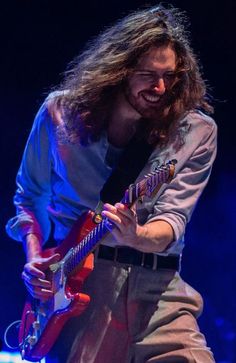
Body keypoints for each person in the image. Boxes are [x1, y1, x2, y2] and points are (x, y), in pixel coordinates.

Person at [6, 4, 217, 363]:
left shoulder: (194, 131)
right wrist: (36, 257)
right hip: (80, 291)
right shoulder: (59, 113)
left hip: (159, 294)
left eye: (170, 76)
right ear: (118, 70)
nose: (160, 87)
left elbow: (173, 219)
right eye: (147, 74)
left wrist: (138, 236)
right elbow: (30, 196)